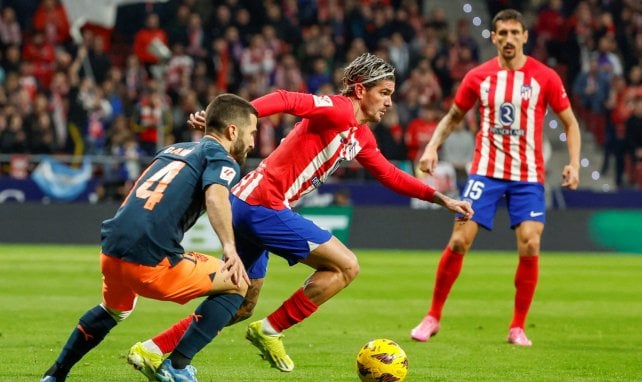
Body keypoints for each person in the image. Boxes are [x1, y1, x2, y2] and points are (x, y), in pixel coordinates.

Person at [127, 52, 474, 377]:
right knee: (346, 266)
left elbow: (389, 174)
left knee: (240, 301)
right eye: (383, 93)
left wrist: (440, 198)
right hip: (263, 204)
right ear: (359, 90)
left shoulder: (361, 136)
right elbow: (286, 99)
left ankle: (157, 351)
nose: (389, 101)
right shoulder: (337, 110)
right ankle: (271, 329)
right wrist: (237, 117)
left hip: (249, 204)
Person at [40, 93, 259, 382]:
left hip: (111, 251)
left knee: (115, 310)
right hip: (149, 261)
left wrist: (208, 135)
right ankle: (177, 366)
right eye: (252, 133)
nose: (254, 141)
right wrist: (230, 248)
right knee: (238, 283)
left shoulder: (173, 149)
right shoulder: (224, 160)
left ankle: (54, 375)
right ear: (233, 131)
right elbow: (216, 196)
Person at [409, 9, 581, 347]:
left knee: (531, 242)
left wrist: (574, 163)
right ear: (493, 37)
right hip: (485, 173)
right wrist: (431, 147)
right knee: (459, 239)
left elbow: (571, 123)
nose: (508, 39)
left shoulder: (544, 77)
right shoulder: (478, 77)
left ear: (525, 37)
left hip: (528, 176)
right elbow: (453, 116)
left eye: (514, 33)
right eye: (502, 33)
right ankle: (433, 316)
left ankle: (517, 326)